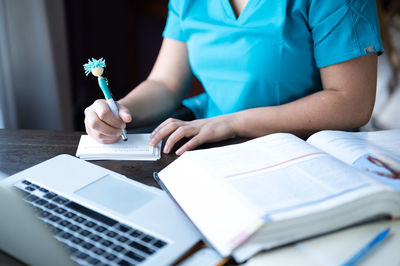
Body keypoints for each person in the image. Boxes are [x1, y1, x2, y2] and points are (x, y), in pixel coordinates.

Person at [84, 0, 382, 155]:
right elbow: (164, 84)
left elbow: (352, 102)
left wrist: (231, 123)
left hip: (305, 150)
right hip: (207, 147)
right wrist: (118, 110)